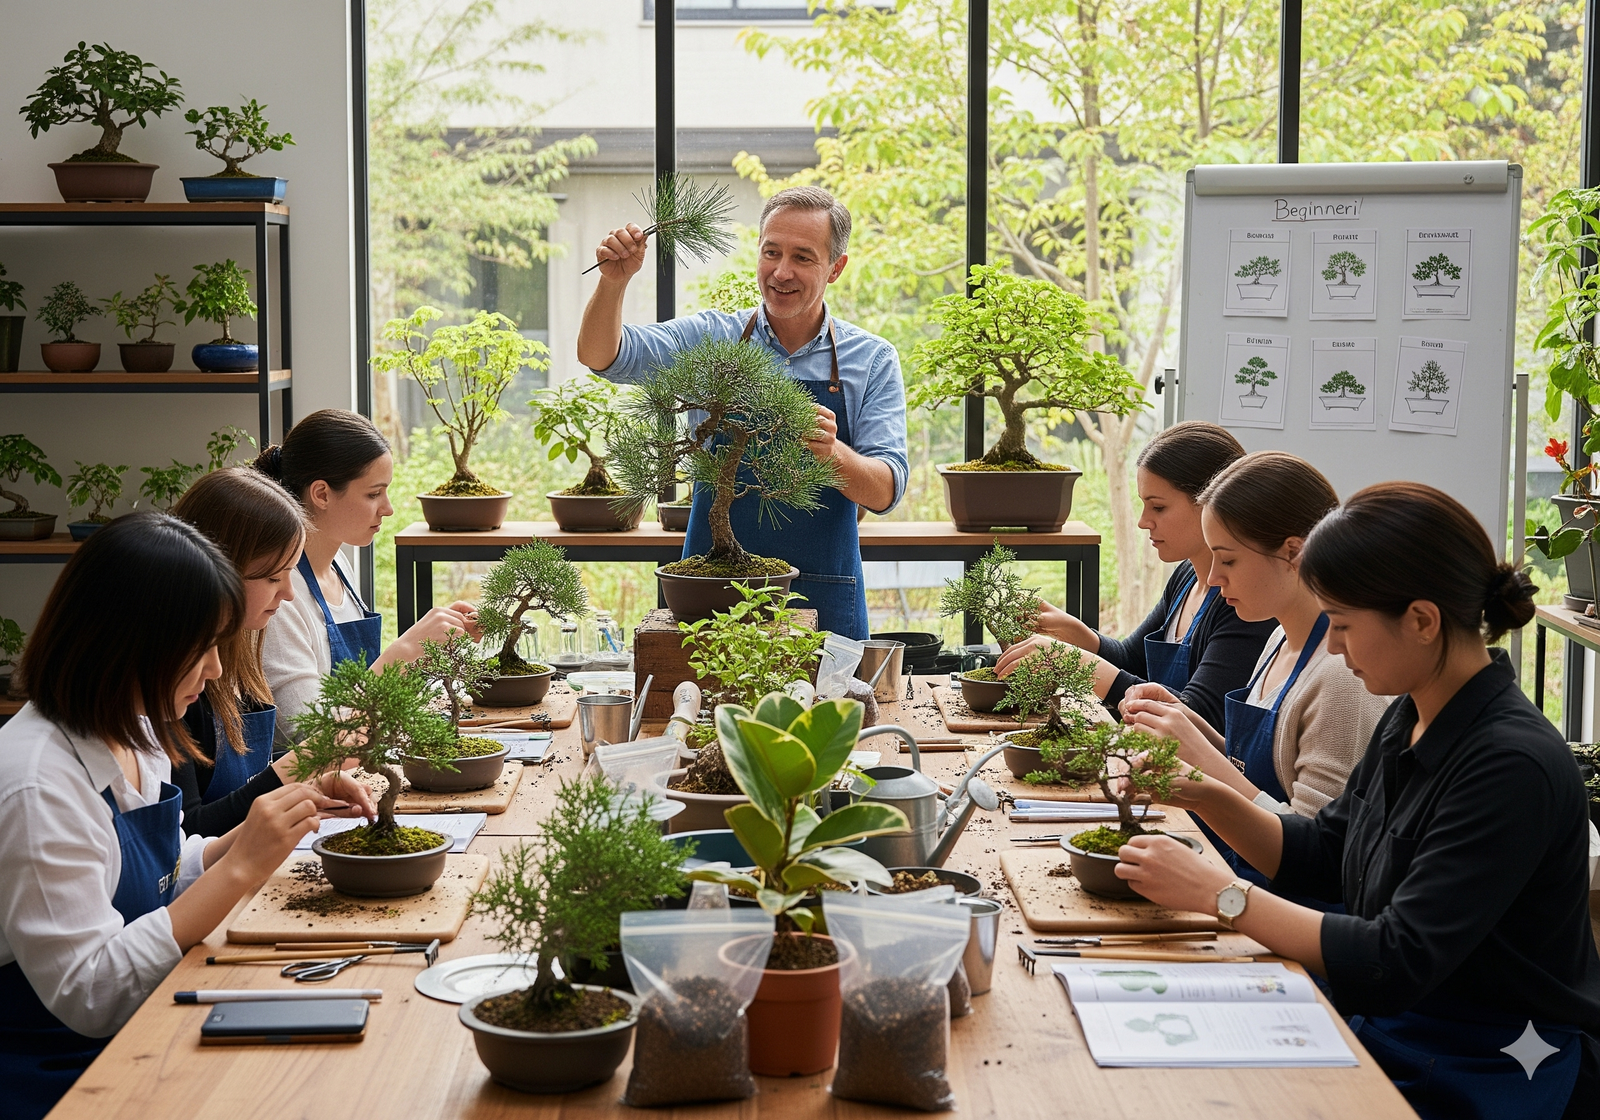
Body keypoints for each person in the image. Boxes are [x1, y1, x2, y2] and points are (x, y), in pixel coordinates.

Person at [1114, 483, 1600, 1120]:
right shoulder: (1412, 714)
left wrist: (1219, 896)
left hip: (1483, 1065)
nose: (1334, 647)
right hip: (1399, 1030)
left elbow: (1394, 960)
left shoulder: (1508, 765)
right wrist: (1201, 795)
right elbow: (1323, 851)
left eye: (1342, 625)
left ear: (1422, 620)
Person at [0, 514, 338, 1119]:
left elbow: (159, 868)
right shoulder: (36, 785)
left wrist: (254, 832)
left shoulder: (136, 728)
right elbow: (91, 991)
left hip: (140, 1029)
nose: (214, 669)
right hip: (59, 1074)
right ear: (130, 644)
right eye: (202, 646)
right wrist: (239, 871)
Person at [575, 185, 909, 639]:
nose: (782, 272)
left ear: (836, 268)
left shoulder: (870, 359)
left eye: (803, 257)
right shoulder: (712, 338)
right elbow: (604, 356)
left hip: (821, 595)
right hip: (712, 595)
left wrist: (832, 454)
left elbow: (886, 490)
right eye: (771, 252)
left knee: (830, 711)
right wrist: (613, 281)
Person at [1120, 452, 1389, 892]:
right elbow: (1267, 772)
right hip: (1238, 877)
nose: (1214, 577)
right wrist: (1193, 727)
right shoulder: (1279, 638)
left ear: (1292, 553)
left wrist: (1201, 762)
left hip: (1289, 913)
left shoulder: (1342, 677)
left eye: (1227, 560)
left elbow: (1313, 851)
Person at [996, 421, 1274, 730]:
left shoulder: (1244, 601)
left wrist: (1074, 662)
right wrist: (1079, 635)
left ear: (1209, 502)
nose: (1143, 522)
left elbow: (1196, 718)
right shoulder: (1185, 577)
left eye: (1158, 507)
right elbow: (1132, 660)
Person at [169, 468, 378, 836]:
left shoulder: (243, 649)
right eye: (272, 578)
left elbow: (252, 777)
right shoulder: (173, 686)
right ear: (221, 569)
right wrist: (304, 766)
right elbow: (190, 835)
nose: (289, 594)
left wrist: (308, 789)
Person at [255, 409, 480, 732]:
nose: (387, 508)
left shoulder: (339, 565)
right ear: (321, 494)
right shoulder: (279, 595)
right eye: (374, 494)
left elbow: (363, 697)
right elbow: (309, 735)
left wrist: (428, 645)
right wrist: (403, 651)